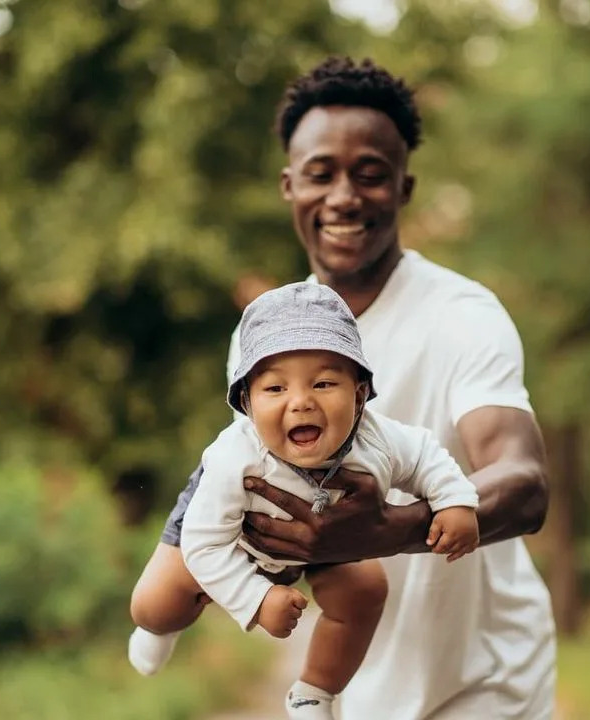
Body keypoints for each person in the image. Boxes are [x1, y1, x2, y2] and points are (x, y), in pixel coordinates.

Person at [131, 56, 556, 719]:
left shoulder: (463, 316)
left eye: (370, 175)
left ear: (404, 188)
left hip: (480, 679)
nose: (343, 197)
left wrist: (392, 528)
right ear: (288, 186)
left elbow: (526, 483)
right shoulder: (264, 335)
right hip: (355, 688)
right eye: (320, 174)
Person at [128, 281, 481, 720]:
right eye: (275, 389)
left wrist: (454, 501)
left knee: (367, 591)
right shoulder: (234, 459)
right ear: (246, 401)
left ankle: (314, 692)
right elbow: (204, 545)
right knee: (154, 606)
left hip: (332, 534)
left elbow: (427, 456)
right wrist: (257, 598)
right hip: (230, 534)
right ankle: (161, 629)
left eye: (324, 382)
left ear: (359, 392)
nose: (301, 402)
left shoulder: (379, 438)